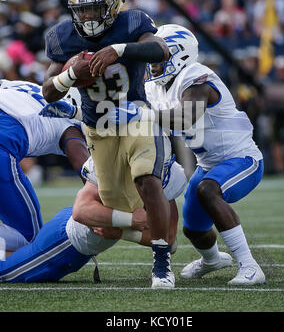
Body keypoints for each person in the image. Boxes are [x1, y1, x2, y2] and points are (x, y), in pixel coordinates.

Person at [41, 0, 174, 289]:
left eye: (94, 8)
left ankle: (162, 263)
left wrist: (119, 50)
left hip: (136, 115)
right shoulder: (63, 37)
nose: (87, 16)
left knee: (147, 180)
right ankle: (154, 230)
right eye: (81, 10)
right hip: (98, 129)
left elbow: (161, 50)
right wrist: (70, 75)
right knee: (114, 202)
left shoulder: (132, 23)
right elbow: (48, 91)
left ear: (112, 7)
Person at [106, 24, 266, 286]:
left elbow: (184, 117)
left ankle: (250, 266)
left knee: (206, 190)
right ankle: (213, 260)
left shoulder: (197, 77)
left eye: (157, 54)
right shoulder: (156, 86)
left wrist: (140, 114)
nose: (152, 62)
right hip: (208, 164)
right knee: (193, 228)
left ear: (179, 54)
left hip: (242, 159)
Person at [0, 154, 187, 283]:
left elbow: (170, 241)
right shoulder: (112, 154)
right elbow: (81, 211)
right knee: (6, 271)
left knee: (22, 254)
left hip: (73, 236)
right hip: (65, 241)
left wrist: (121, 231)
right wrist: (129, 221)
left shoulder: (172, 172)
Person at [0, 79, 89, 252]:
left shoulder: (29, 86)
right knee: (27, 239)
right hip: (4, 139)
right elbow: (89, 174)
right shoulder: (70, 124)